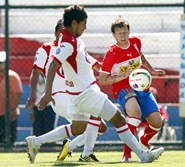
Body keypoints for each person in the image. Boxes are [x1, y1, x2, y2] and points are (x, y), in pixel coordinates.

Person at [25, 5, 164, 164]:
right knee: (119, 119)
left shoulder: (69, 39)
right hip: (86, 93)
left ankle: (36, 142)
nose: (85, 27)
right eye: (84, 24)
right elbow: (52, 66)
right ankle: (142, 155)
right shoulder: (68, 43)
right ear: (75, 23)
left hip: (75, 95)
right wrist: (48, 93)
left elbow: (83, 59)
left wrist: (101, 67)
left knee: (77, 128)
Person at [25, 18, 107, 162]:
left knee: (100, 127)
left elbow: (96, 65)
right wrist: (33, 94)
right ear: (56, 33)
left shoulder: (75, 46)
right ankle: (85, 154)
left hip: (76, 96)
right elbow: (36, 72)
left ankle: (50, 144)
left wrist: (114, 71)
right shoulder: (46, 48)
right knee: (91, 121)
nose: (65, 34)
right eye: (62, 31)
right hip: (59, 96)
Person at [99, 18, 165, 162]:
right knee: (135, 113)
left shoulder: (136, 42)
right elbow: (102, 80)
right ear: (113, 35)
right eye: (119, 33)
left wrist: (151, 70)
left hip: (141, 87)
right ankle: (126, 155)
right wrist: (123, 75)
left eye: (125, 32)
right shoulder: (112, 53)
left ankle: (144, 141)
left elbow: (140, 56)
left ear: (129, 32)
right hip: (124, 88)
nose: (122, 36)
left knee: (157, 122)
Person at [0, 51, 22, 148]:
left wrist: (13, 110)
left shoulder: (12, 76)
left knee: (10, 141)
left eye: (1, 63)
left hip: (8, 114)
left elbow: (18, 94)